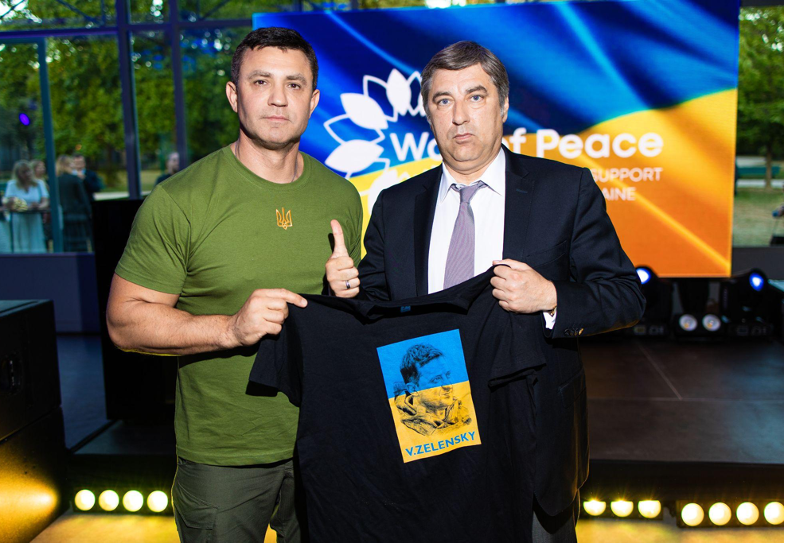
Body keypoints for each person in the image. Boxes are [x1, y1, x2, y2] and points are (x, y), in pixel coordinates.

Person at [326, 41, 645, 542]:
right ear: (429, 113)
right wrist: (347, 293)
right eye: (444, 100)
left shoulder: (565, 189)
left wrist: (551, 297)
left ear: (503, 106)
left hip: (531, 431)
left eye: (475, 97)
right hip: (428, 423)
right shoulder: (396, 204)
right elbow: (376, 309)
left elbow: (625, 295)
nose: (460, 115)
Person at [106, 27, 362, 543]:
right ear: (233, 94)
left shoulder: (342, 196)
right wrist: (230, 328)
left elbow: (345, 327)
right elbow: (123, 322)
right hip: (222, 456)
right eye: (260, 81)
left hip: (324, 441)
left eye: (293, 84)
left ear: (313, 101)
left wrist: (346, 298)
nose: (277, 98)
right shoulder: (180, 200)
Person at [394, 343, 471, 436]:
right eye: (436, 379)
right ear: (413, 389)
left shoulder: (465, 413)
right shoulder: (403, 428)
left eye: (447, 375)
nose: (448, 385)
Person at [4, 160, 49, 253]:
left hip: (34, 219)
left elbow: (45, 201)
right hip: (19, 220)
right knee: (22, 243)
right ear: (18, 174)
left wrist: (38, 207)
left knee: (35, 243)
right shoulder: (12, 185)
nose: (27, 174)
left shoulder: (39, 184)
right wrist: (26, 207)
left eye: (29, 171)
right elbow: (10, 204)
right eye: (24, 172)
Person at [56, 155, 92, 252]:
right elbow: (83, 198)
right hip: (77, 215)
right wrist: (89, 212)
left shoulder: (56, 180)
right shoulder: (75, 179)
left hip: (63, 215)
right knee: (80, 245)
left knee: (67, 244)